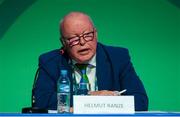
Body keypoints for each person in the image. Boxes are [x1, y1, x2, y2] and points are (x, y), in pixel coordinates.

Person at [33, 11, 148, 111]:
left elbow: (140, 101)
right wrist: (91, 98)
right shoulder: (50, 61)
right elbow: (41, 101)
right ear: (63, 42)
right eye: (74, 39)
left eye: (87, 35)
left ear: (96, 34)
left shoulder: (118, 58)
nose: (82, 42)